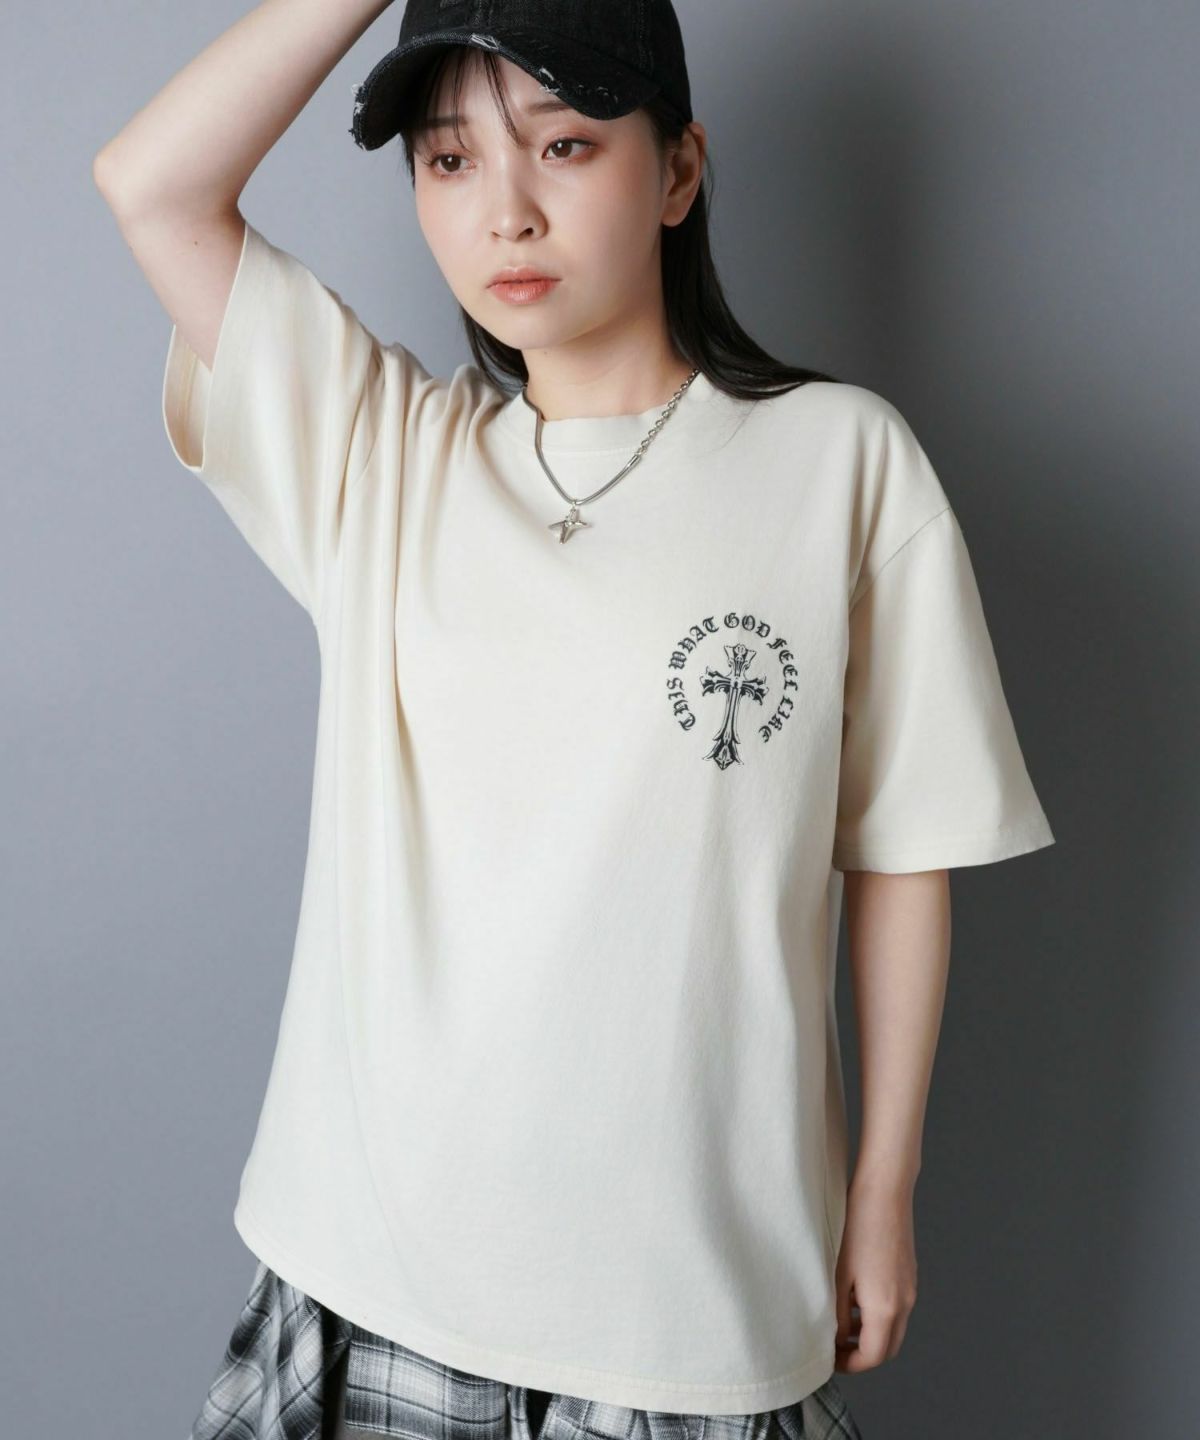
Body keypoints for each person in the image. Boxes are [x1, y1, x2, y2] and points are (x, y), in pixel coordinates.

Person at [93, 1, 1057, 1437]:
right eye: (448, 160)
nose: (508, 212)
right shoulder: (381, 451)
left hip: (688, 1305)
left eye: (564, 145)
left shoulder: (841, 463)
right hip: (378, 1274)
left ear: (678, 173)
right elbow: (152, 183)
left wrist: (883, 1190)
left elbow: (903, 849)